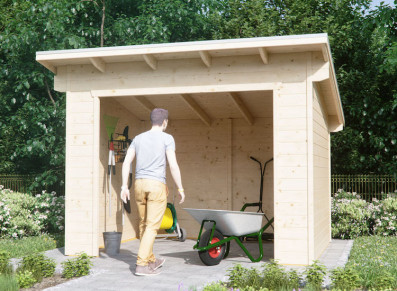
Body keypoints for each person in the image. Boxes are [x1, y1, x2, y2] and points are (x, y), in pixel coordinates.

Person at [121, 108, 185, 276]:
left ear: (152, 121)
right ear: (164, 122)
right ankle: (141, 265)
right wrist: (180, 187)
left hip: (139, 185)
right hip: (156, 185)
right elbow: (173, 165)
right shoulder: (167, 138)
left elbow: (126, 162)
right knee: (151, 227)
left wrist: (123, 186)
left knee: (143, 224)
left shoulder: (138, 138)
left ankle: (150, 260)